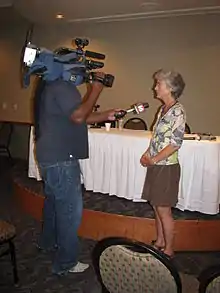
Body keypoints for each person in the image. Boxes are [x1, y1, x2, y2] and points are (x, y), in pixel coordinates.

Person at [34, 73, 118, 275]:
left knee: (54, 203)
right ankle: (66, 263)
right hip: (62, 159)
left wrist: (106, 115)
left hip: (51, 156)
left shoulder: (52, 84)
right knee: (69, 212)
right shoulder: (63, 86)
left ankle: (47, 242)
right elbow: (79, 116)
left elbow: (79, 117)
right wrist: (96, 88)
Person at [140, 69, 186, 258]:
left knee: (164, 209)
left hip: (166, 167)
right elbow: (157, 139)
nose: (155, 87)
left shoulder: (178, 111)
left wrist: (154, 159)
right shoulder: (163, 109)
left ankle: (169, 250)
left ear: (170, 88)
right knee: (156, 205)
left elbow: (175, 143)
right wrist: (147, 154)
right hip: (157, 165)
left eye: (159, 84)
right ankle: (159, 241)